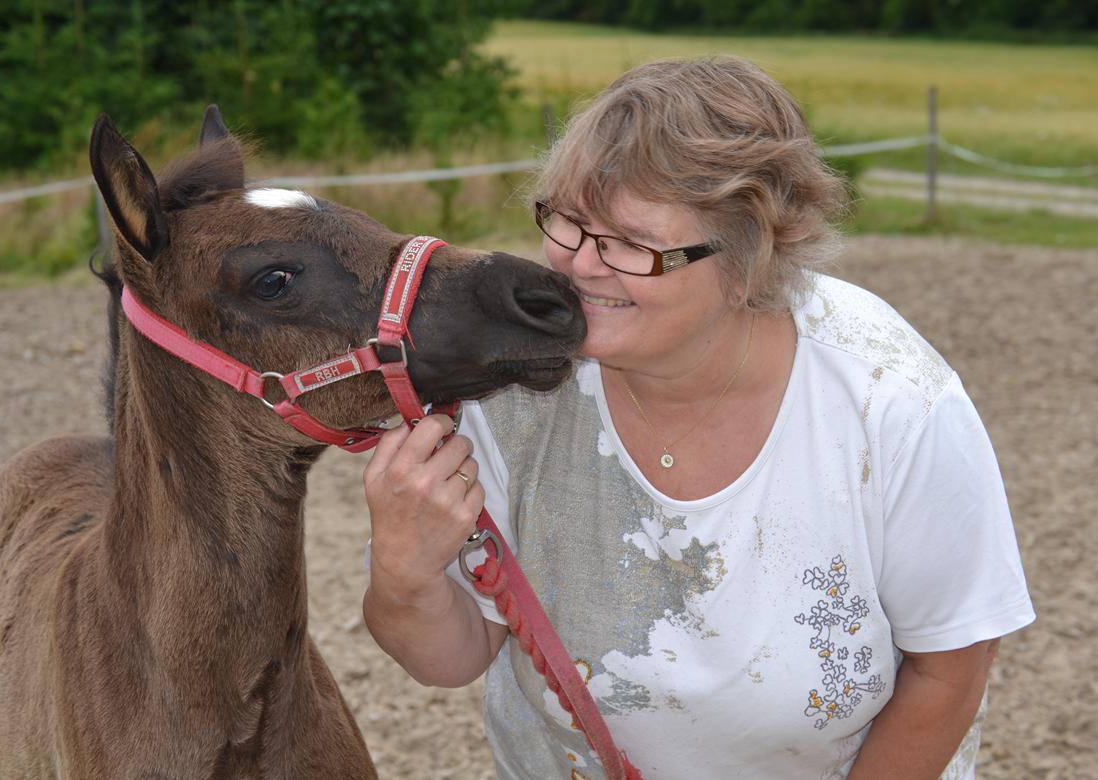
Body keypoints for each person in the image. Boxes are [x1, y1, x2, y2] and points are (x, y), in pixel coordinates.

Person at [361, 57, 1035, 779]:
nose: (578, 265)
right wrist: (405, 572)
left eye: (628, 242)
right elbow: (453, 658)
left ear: (749, 260)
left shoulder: (892, 401)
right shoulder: (513, 385)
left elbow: (950, 669)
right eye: (566, 221)